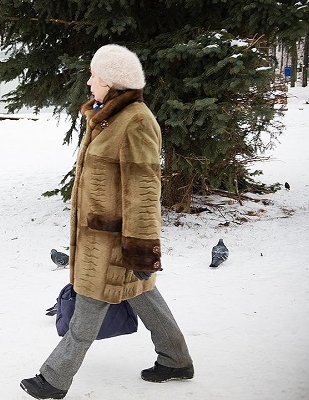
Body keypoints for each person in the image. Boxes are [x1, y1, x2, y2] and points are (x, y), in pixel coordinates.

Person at [20, 44, 194, 399]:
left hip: (116, 241)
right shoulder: (108, 117)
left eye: (94, 76)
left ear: (112, 82)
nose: (88, 82)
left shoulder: (137, 120)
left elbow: (144, 188)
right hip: (99, 237)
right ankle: (176, 360)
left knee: (89, 304)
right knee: (144, 296)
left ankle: (54, 379)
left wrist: (142, 248)